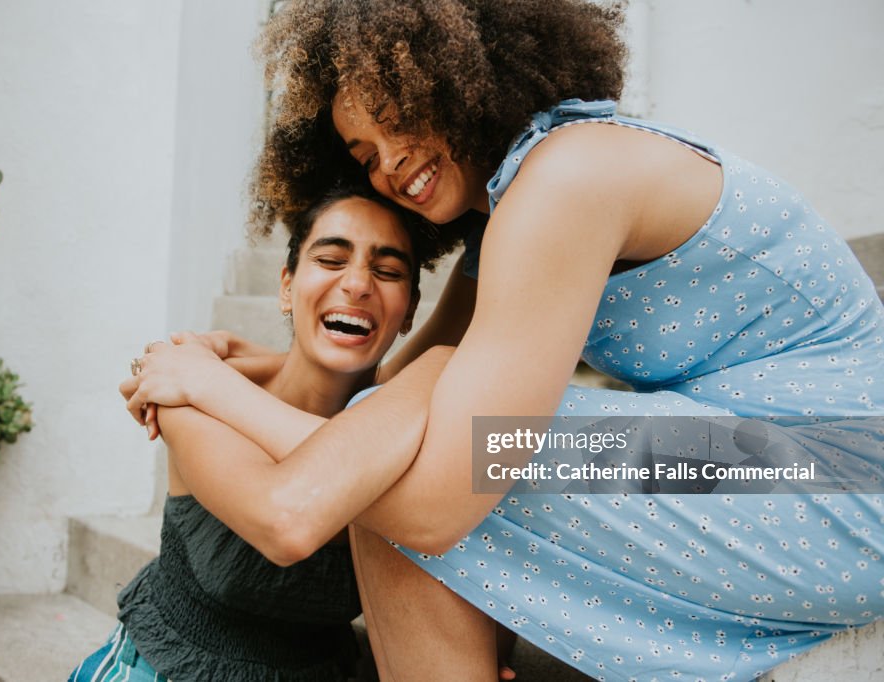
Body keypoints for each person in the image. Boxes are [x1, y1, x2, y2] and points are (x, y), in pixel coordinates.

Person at [121, 1, 884, 680]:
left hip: (836, 474)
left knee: (423, 476)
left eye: (399, 115)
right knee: (419, 420)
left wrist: (214, 392)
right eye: (362, 155)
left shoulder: (566, 179)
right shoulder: (516, 208)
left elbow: (433, 499)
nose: (389, 163)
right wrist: (251, 362)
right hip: (755, 461)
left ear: (456, 77)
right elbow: (395, 375)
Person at [72, 185, 437, 682]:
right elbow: (285, 522)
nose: (357, 284)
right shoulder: (185, 397)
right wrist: (209, 380)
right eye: (330, 260)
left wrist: (212, 377)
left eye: (388, 271)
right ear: (286, 286)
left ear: (410, 308)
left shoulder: (204, 379)